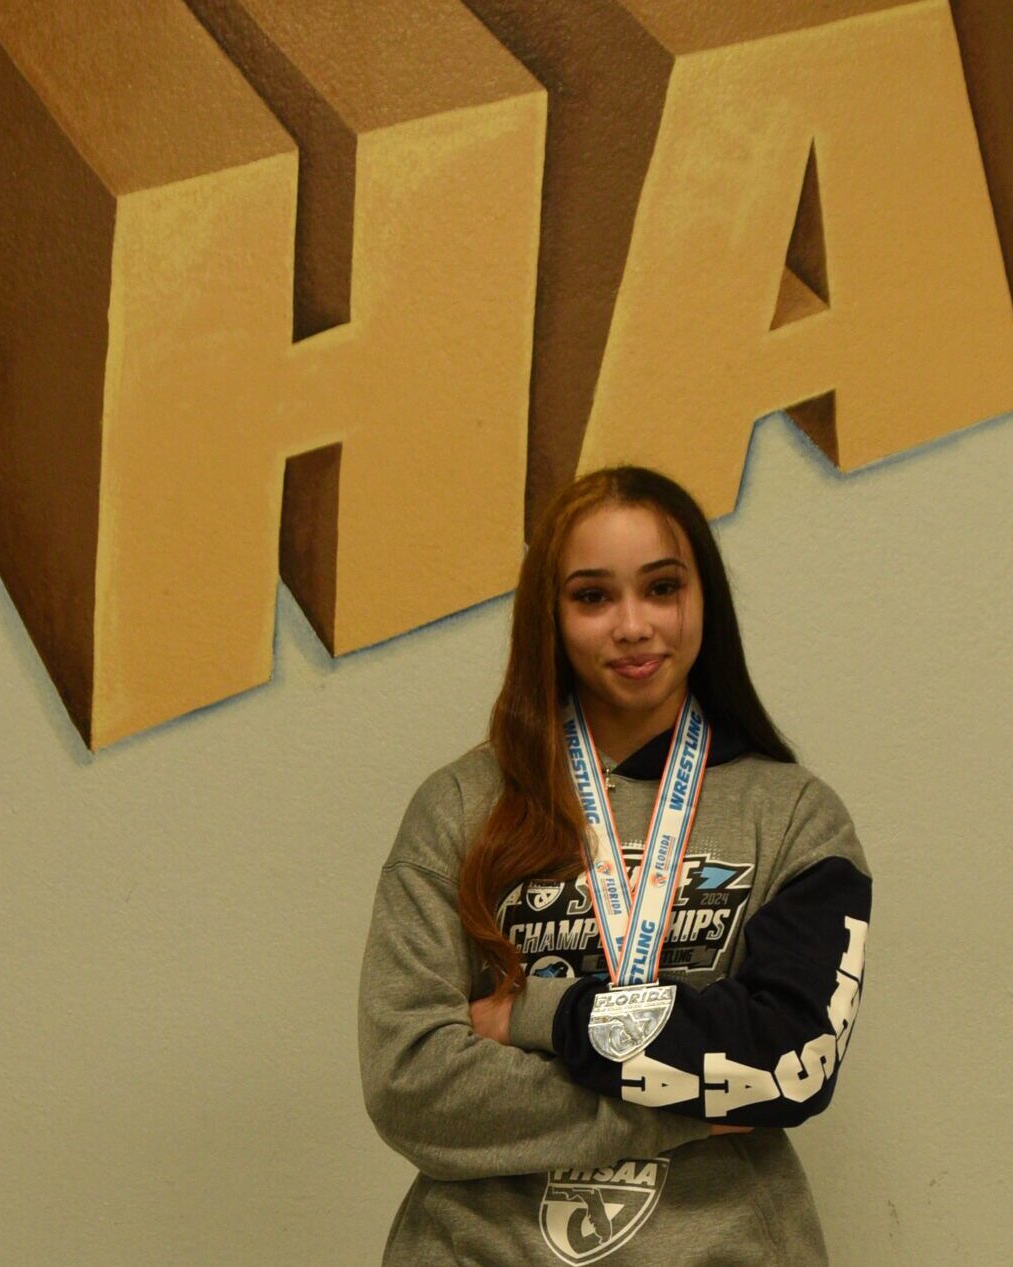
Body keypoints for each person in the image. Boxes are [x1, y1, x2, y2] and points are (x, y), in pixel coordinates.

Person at [359, 465, 872, 1265]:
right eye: (593, 596)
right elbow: (411, 1083)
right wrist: (699, 1101)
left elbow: (789, 1059)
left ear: (704, 599)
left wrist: (537, 1017)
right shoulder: (457, 807)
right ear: (550, 616)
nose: (633, 625)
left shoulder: (795, 816)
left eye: (661, 588)